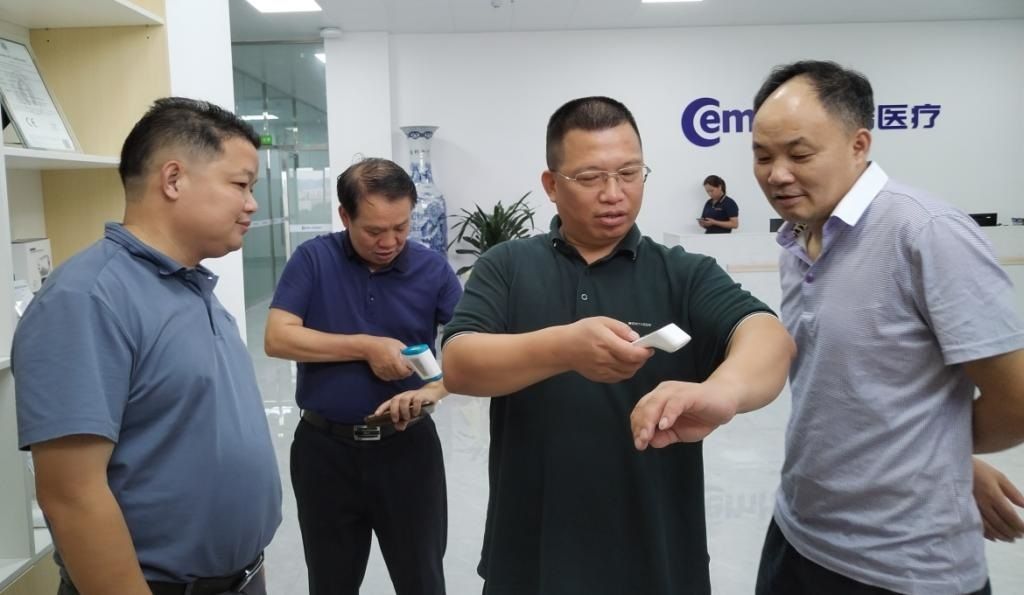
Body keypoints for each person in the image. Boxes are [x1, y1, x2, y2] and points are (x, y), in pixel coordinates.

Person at [441, 96, 795, 595]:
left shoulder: (683, 273)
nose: (614, 194)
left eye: (629, 174)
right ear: (552, 185)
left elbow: (768, 337)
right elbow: (459, 363)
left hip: (656, 553)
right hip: (532, 552)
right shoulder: (508, 265)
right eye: (590, 178)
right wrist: (564, 348)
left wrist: (723, 391)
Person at [747, 60, 1024, 594]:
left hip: (903, 566)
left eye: (799, 154)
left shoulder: (926, 233)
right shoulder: (797, 240)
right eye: (762, 156)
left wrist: (939, 455)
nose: (777, 174)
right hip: (798, 535)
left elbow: (1016, 401)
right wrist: (944, 454)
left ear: (859, 145)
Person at [13, 97, 281, 595]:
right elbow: (71, 495)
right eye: (240, 185)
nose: (252, 204)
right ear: (173, 179)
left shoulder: (189, 285)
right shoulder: (89, 298)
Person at [264, 157, 461, 595]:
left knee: (422, 580)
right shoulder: (313, 259)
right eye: (374, 231)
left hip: (407, 450)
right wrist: (366, 346)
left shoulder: (432, 269)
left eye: (401, 227)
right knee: (331, 582)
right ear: (345, 216)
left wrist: (435, 390)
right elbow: (277, 337)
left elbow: (470, 349)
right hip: (324, 452)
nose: (390, 242)